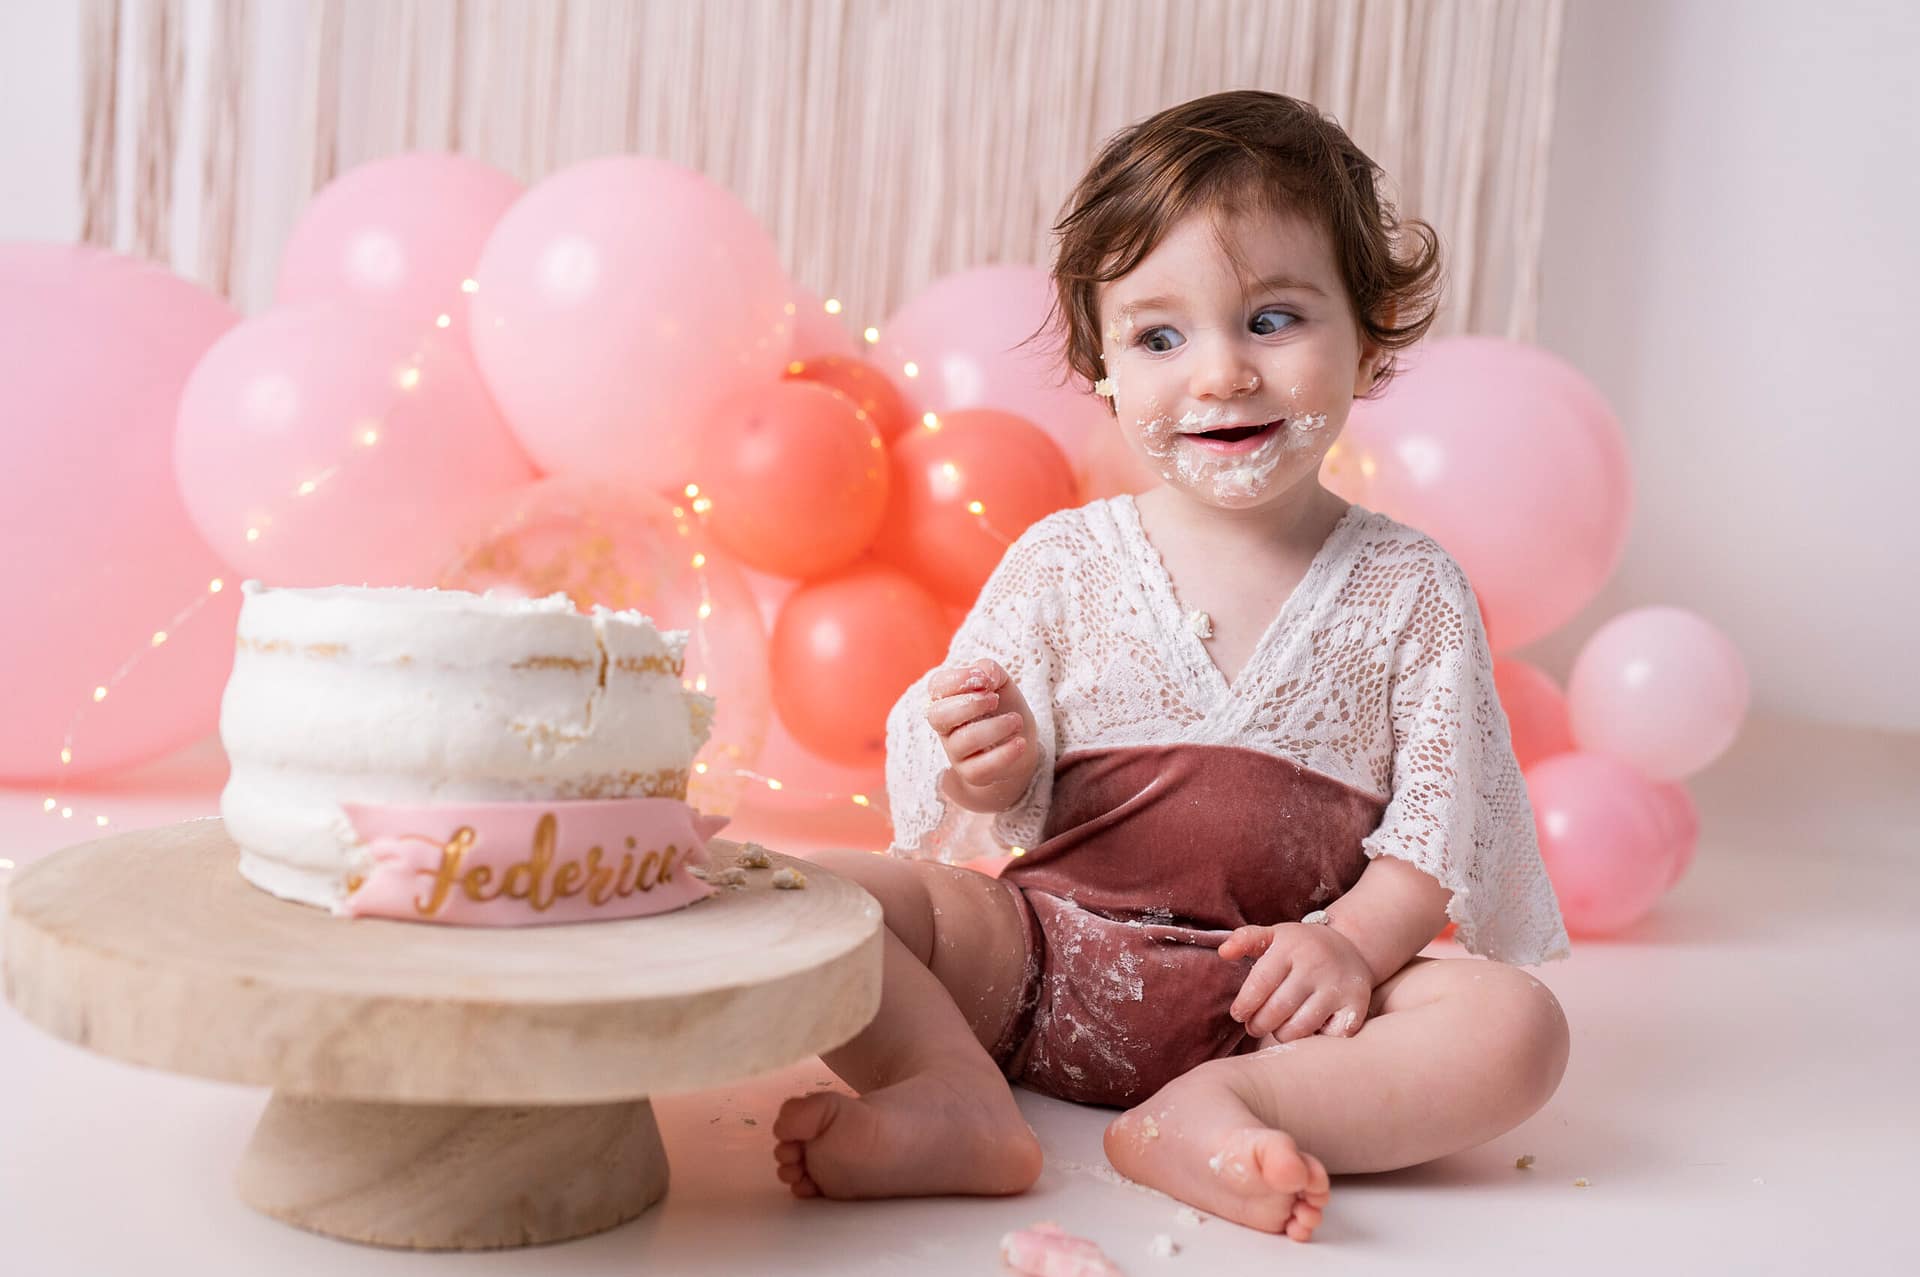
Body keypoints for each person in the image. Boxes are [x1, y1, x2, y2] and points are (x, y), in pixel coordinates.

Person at [771, 89, 1571, 1243]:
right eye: (1160, 337)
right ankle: (948, 1090)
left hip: (1281, 1002)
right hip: (1041, 966)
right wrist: (986, 764)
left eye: (1273, 320)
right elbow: (979, 791)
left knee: (1516, 1026)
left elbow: (1439, 825)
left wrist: (1348, 942)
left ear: (1372, 329)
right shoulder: (1063, 560)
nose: (1219, 375)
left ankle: (1218, 1107)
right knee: (821, 898)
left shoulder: (1409, 587)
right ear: (1101, 367)